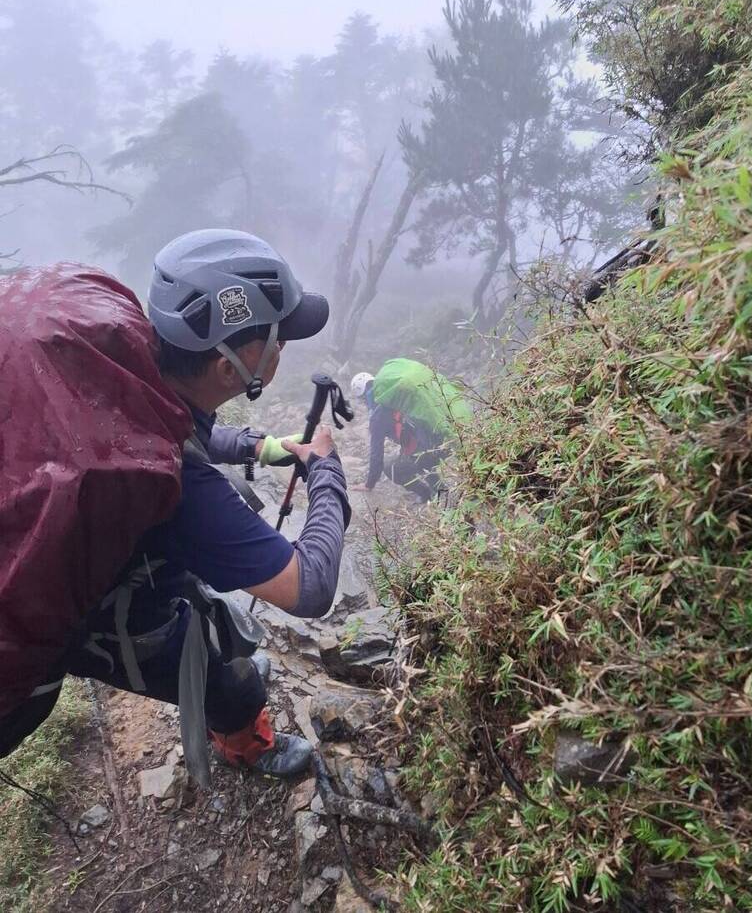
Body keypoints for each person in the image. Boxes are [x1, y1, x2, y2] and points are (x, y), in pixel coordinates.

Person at [0, 229, 350, 781]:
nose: (285, 348)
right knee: (229, 671)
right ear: (231, 365)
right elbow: (308, 588)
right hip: (67, 615)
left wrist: (263, 447)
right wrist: (328, 473)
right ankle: (246, 745)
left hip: (45, 543)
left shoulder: (118, 351)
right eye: (279, 338)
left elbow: (172, 425)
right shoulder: (175, 484)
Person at [350, 359, 470, 502]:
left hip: (427, 451)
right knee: (417, 453)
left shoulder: (377, 417)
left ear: (364, 397)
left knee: (391, 468)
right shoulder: (400, 398)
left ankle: (431, 495)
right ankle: (441, 491)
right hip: (443, 440)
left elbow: (377, 456)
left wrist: (369, 484)